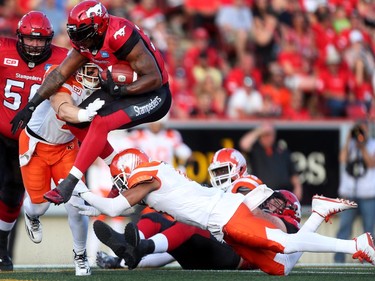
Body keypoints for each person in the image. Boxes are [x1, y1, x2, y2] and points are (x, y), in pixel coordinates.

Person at [72, 148, 373, 275]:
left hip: (226, 217)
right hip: (220, 228)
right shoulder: (158, 179)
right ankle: (133, 247)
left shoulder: (243, 183)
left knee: (285, 243)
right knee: (280, 267)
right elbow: (117, 203)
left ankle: (357, 245)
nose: (125, 185)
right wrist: (85, 207)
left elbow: (274, 219)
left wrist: (76, 188)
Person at [10, 0, 172, 206]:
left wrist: (121, 90)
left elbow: (154, 78)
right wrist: (31, 105)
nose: (78, 40)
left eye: (82, 33)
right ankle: (118, 171)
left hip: (153, 94)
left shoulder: (119, 35)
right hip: (120, 88)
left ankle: (69, 183)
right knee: (76, 122)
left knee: (100, 122)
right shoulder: (87, 41)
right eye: (74, 33)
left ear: (99, 27)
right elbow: (60, 74)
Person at [19, 63, 107, 275]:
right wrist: (83, 115)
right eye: (92, 70)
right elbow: (63, 108)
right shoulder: (59, 74)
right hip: (37, 145)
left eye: (100, 70)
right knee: (39, 206)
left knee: (76, 205)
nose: (97, 75)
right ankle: (30, 214)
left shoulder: (104, 86)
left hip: (67, 148)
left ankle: (80, 255)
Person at [0, 10, 68, 270]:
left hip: (31, 142)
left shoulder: (64, 58)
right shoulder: (3, 49)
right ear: (19, 36)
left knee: (12, 193)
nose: (35, 44)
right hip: (1, 134)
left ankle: (1, 250)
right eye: (30, 39)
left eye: (41, 40)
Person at [334, 121, 375, 263]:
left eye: (362, 131)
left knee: (368, 231)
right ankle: (338, 262)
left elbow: (371, 163)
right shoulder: (349, 146)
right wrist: (348, 140)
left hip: (368, 195)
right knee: (344, 229)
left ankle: (368, 261)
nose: (360, 135)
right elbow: (342, 158)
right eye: (358, 131)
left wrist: (362, 146)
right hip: (349, 194)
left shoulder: (373, 144)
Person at [239, 122, 303, 200]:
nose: (267, 138)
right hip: (263, 194)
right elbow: (244, 144)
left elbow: (293, 172)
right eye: (265, 135)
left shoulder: (282, 150)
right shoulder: (256, 149)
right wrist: (260, 130)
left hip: (282, 194)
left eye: (269, 135)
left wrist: (298, 187)